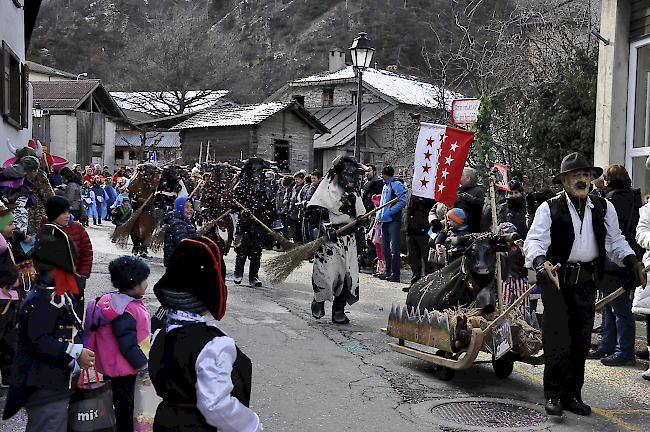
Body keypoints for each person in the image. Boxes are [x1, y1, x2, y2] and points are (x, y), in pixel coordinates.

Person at [523, 152, 645, 417]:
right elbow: (533, 242)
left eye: (587, 175)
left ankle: (572, 395)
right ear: (564, 180)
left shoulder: (603, 207)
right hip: (557, 282)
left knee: (580, 341)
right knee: (557, 340)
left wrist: (632, 261)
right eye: (576, 175)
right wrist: (541, 261)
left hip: (587, 283)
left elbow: (615, 242)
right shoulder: (550, 207)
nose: (583, 180)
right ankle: (553, 395)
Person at [149, 236, 263, 431]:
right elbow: (216, 405)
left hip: (164, 423)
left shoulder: (160, 333)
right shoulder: (214, 344)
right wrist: (251, 425)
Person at [2, 224, 95, 431]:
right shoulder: (44, 300)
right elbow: (39, 341)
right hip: (45, 387)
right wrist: (75, 351)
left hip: (55, 383)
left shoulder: (51, 294)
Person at [84, 256, 151, 432]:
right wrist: (144, 367)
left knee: (117, 404)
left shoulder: (113, 301)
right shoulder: (125, 310)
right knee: (126, 409)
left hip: (111, 366)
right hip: (125, 369)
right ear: (134, 283)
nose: (146, 283)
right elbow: (127, 345)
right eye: (144, 279)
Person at [587, 165, 642, 366]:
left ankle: (623, 351)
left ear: (608, 181)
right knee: (612, 304)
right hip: (628, 258)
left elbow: (610, 236)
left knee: (617, 307)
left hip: (615, 259)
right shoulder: (633, 199)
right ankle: (608, 345)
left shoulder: (610, 202)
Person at [306, 156, 367, 324]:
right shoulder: (327, 189)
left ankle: (338, 310)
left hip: (349, 241)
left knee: (348, 277)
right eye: (348, 174)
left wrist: (361, 220)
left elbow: (359, 213)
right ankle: (319, 299)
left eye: (353, 175)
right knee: (327, 275)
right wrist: (326, 226)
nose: (351, 178)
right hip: (330, 242)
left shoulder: (354, 192)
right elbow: (313, 212)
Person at [45, 196, 93, 319]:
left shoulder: (77, 228)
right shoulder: (44, 228)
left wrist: (82, 276)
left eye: (68, 212)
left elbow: (87, 253)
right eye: (63, 212)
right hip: (51, 283)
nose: (67, 215)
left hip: (74, 281)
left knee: (74, 316)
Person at [232, 158, 276, 287]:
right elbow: (234, 201)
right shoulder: (242, 184)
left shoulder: (264, 185)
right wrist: (242, 209)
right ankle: (238, 272)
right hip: (245, 221)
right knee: (241, 249)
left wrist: (270, 217)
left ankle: (253, 276)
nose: (257, 173)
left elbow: (270, 204)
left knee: (256, 251)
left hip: (258, 223)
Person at [376, 166, 407, 282]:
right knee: (385, 248)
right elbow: (382, 203)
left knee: (394, 248)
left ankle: (395, 274)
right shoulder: (385, 186)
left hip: (393, 220)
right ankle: (387, 271)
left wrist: (389, 212)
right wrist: (379, 216)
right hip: (384, 220)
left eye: (383, 175)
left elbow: (402, 202)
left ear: (387, 174)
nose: (382, 177)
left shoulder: (397, 185)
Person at [0, 203, 19, 387]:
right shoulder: (2, 247)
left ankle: (8, 376)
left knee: (9, 339)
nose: (13, 226)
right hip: (3, 299)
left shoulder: (6, 244)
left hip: (8, 297)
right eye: (9, 224)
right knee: (6, 339)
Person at [405, 195, 435, 286]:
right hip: (411, 229)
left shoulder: (429, 195)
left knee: (427, 259)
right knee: (412, 257)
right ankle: (415, 282)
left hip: (424, 230)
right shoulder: (412, 196)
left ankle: (427, 283)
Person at [163, 196, 197, 268]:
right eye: (186, 207)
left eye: (191, 207)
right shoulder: (177, 223)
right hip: (177, 262)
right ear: (179, 209)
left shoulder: (187, 223)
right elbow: (183, 243)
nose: (190, 209)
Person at [455, 167, 486, 233]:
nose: (459, 178)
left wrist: (465, 197)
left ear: (468, 178)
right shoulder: (458, 191)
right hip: (454, 225)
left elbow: (479, 205)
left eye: (461, 175)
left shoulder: (479, 190)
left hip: (470, 229)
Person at [288, 171, 306, 243]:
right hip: (293, 210)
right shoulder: (294, 188)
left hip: (299, 211)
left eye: (298, 179)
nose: (296, 181)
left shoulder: (303, 188)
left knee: (299, 228)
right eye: (295, 179)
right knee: (294, 228)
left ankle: (299, 241)